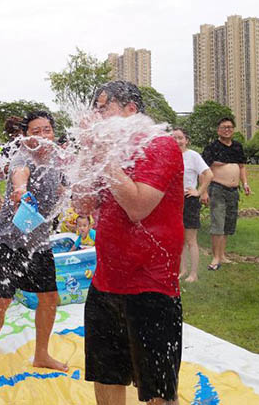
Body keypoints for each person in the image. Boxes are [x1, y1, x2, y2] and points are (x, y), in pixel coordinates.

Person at [73, 81, 184, 405]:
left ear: (130, 111)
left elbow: (137, 206)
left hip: (151, 284)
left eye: (102, 108)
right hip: (106, 280)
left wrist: (101, 153)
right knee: (106, 375)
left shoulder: (160, 146)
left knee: (158, 391)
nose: (95, 116)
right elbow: (81, 204)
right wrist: (88, 151)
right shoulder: (111, 152)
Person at [0, 111, 68, 389]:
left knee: (50, 299)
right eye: (35, 131)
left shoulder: (56, 160)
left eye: (47, 130)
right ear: (25, 137)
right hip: (9, 243)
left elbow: (64, 188)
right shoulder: (22, 157)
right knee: (1, 302)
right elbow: (19, 176)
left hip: (39, 242)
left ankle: (41, 353)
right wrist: (20, 189)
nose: (42, 135)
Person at [201, 117, 251, 271]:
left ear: (233, 129)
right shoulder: (212, 147)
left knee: (228, 224)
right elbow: (202, 169)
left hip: (233, 191)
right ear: (218, 130)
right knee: (218, 223)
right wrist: (203, 191)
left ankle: (222, 255)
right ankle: (215, 258)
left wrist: (245, 183)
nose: (227, 129)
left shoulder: (237, 147)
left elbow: (241, 167)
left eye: (230, 127)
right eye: (224, 127)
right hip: (217, 189)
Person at [172, 127, 213, 282]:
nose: (177, 141)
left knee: (190, 240)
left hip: (189, 200)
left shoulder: (193, 156)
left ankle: (193, 273)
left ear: (186, 140)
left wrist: (200, 191)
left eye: (180, 138)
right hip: (173, 202)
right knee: (178, 239)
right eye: (174, 138)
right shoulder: (169, 156)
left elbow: (209, 174)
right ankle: (183, 270)